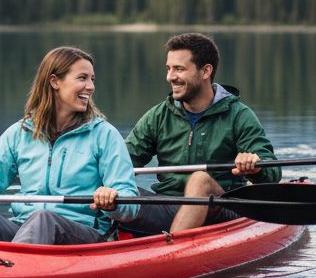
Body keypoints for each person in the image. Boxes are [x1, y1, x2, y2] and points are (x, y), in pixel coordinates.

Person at [0, 46, 138, 244]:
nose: (90, 86)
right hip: (25, 231)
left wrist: (113, 201)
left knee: (43, 220)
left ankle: (9, 277)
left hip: (85, 235)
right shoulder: (19, 134)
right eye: (82, 78)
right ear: (54, 82)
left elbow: (130, 202)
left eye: (92, 79)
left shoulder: (105, 135)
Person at [119, 32, 280, 234]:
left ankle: (173, 250)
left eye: (179, 69)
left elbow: (272, 175)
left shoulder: (239, 115)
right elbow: (122, 162)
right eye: (169, 69)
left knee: (200, 180)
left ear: (205, 71)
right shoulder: (158, 116)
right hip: (168, 207)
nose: (170, 77)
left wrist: (255, 167)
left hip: (222, 209)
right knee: (116, 192)